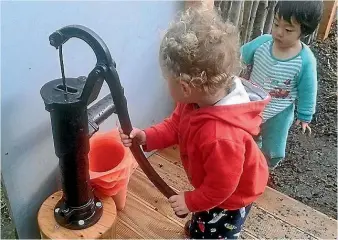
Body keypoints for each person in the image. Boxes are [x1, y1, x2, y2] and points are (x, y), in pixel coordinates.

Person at [119, 7, 270, 239]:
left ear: (186, 87)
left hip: (230, 200)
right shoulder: (196, 101)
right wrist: (146, 137)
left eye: (166, 79)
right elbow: (174, 127)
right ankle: (200, 224)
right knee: (202, 216)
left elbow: (221, 188)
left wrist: (190, 201)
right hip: (212, 187)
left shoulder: (221, 137)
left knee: (215, 231)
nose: (164, 84)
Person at [240, 0, 323, 169]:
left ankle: (266, 166)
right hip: (251, 104)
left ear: (304, 31)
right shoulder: (262, 42)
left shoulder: (305, 60)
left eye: (288, 29)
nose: (278, 32)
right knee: (244, 136)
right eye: (276, 24)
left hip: (279, 112)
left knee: (273, 146)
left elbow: (308, 90)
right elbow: (239, 56)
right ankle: (244, 161)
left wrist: (305, 116)